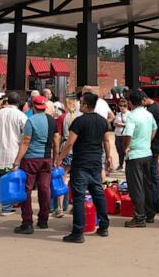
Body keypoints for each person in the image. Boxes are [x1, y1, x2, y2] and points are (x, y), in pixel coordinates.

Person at [54, 92, 113, 243]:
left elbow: (69, 142)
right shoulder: (102, 121)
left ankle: (78, 232)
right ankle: (104, 226)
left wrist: (59, 158)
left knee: (79, 197)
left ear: (86, 105)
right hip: (95, 162)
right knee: (98, 193)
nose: (79, 104)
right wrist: (109, 157)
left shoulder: (79, 122)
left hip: (81, 163)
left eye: (81, 102)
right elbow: (106, 141)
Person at [11, 95, 58, 234]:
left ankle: (27, 223)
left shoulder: (30, 121)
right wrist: (55, 159)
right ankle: (43, 220)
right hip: (46, 159)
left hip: (31, 160)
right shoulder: (52, 121)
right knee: (45, 189)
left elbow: (26, 141)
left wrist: (17, 161)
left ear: (32, 105)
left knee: (27, 190)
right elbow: (56, 142)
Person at [0, 92, 27, 216]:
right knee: (9, 181)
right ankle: (6, 208)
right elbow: (26, 134)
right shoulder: (21, 116)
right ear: (18, 102)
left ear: (7, 101)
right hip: (13, 153)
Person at [122, 90, 158, 227]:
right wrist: (147, 141)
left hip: (135, 154)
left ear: (130, 102)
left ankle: (139, 217)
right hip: (146, 152)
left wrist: (126, 147)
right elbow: (155, 128)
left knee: (136, 186)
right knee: (147, 185)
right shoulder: (148, 114)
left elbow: (128, 134)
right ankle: (149, 214)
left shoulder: (132, 116)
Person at [52, 95, 78, 218]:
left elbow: (58, 135)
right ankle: (76, 206)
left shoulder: (63, 117)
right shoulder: (79, 117)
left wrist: (57, 156)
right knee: (77, 179)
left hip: (66, 146)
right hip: (79, 149)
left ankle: (59, 207)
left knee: (62, 178)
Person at [113, 99, 129, 171]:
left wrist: (122, 125)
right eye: (121, 105)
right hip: (118, 135)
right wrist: (117, 124)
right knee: (119, 151)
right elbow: (114, 123)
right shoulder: (118, 114)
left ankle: (128, 166)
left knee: (126, 151)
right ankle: (120, 165)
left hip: (125, 136)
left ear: (127, 106)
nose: (122, 107)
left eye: (124, 106)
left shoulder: (129, 114)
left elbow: (131, 125)